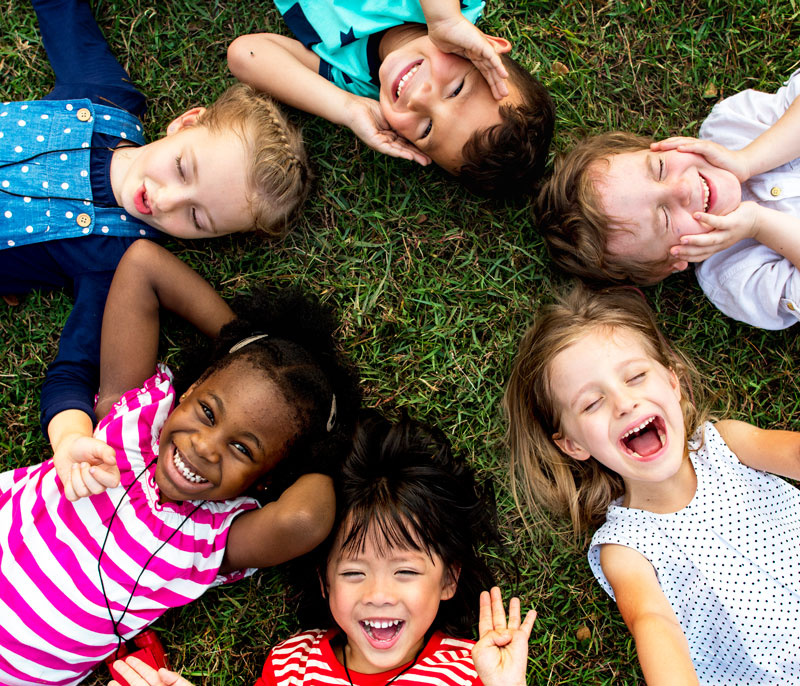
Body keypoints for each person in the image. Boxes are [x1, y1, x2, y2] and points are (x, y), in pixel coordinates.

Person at [0, 239, 360, 686]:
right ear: (188, 392)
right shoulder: (131, 420)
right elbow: (143, 266)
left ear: (265, 481)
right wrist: (247, 347)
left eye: (243, 449)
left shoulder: (211, 540)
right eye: (207, 412)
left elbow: (306, 518)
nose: (206, 447)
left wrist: (329, 447)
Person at [2, 0, 310, 459]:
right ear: (187, 122)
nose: (166, 200)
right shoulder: (104, 97)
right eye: (183, 168)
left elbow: (74, 370)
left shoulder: (113, 262)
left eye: (196, 218)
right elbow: (65, 18)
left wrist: (69, 438)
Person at [504, 285, 800, 684]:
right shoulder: (625, 548)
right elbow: (654, 624)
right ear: (573, 444)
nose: (624, 403)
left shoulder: (727, 444)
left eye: (637, 376)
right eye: (592, 403)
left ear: (673, 383)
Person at [109, 412, 537, 686]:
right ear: (324, 581)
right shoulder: (292, 664)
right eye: (354, 572)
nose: (378, 594)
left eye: (405, 571)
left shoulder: (474, 670)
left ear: (448, 579)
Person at [537, 70, 800, 329]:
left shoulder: (732, 124)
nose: (682, 189)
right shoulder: (735, 278)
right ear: (673, 263)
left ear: (662, 145)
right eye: (663, 217)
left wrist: (748, 159)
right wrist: (759, 224)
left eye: (660, 168)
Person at [227, 0, 554, 198]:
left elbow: (246, 55)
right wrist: (444, 20)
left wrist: (348, 108)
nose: (420, 99)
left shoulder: (351, 81)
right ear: (485, 47)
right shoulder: (455, 10)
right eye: (455, 90)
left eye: (426, 129)